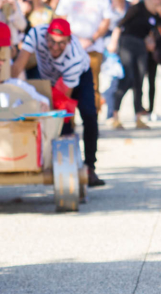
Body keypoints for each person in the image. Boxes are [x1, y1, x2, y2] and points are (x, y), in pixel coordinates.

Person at [12, 18, 104, 186]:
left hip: (78, 77)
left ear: (69, 40)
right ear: (45, 36)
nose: (55, 47)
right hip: (48, 77)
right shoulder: (36, 34)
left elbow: (62, 99)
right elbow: (18, 65)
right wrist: (9, 88)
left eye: (61, 43)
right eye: (51, 41)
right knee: (53, 118)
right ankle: (56, 162)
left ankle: (89, 166)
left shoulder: (74, 58)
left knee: (85, 114)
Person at [55, 0, 111, 112]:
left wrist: (91, 39)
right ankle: (69, 122)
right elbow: (61, 18)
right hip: (72, 48)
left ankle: (93, 123)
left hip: (93, 47)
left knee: (93, 86)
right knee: (69, 85)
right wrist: (72, 40)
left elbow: (106, 20)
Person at [108, 0, 161, 130]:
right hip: (127, 43)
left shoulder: (156, 14)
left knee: (140, 80)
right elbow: (121, 24)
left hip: (141, 46)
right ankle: (115, 116)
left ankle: (138, 117)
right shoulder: (137, 7)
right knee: (128, 78)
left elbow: (152, 32)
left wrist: (150, 40)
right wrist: (114, 41)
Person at [102, 0, 131, 120]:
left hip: (125, 46)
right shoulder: (109, 5)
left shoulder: (129, 5)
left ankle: (104, 98)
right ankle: (111, 114)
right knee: (114, 79)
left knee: (127, 79)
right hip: (110, 46)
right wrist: (113, 37)